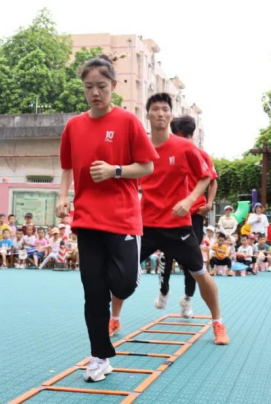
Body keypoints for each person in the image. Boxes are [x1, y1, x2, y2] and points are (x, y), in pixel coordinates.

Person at [56, 55, 159, 382]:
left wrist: (115, 171)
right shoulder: (74, 126)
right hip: (87, 219)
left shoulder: (128, 122)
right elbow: (67, 166)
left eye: (101, 86)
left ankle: (123, 287)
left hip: (123, 218)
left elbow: (147, 166)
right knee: (93, 292)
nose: (95, 93)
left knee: (124, 284)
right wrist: (62, 197)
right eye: (88, 87)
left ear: (114, 86)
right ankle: (99, 357)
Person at [110, 92, 229, 349]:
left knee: (200, 273)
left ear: (170, 115)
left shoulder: (185, 147)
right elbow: (124, 178)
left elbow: (206, 177)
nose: (160, 113)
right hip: (145, 225)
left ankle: (218, 322)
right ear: (148, 114)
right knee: (121, 272)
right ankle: (114, 319)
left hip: (178, 225)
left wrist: (189, 200)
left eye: (165, 109)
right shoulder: (137, 146)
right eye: (155, 109)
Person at [157, 115, 219, 319]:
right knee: (166, 253)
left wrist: (209, 204)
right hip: (172, 213)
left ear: (190, 135)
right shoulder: (166, 153)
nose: (178, 140)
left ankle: (187, 299)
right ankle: (164, 290)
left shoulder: (201, 155)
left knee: (192, 260)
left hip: (194, 214)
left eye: (182, 136)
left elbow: (212, 180)